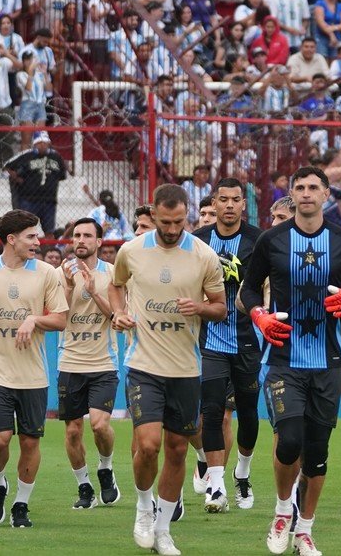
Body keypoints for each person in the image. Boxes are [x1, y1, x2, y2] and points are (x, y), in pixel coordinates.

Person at [239, 167, 341, 556]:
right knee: (289, 442)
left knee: (317, 452)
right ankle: (283, 511)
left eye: (314, 187)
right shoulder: (272, 240)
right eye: (299, 187)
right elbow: (249, 289)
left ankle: (305, 530)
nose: (306, 193)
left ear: (326, 193)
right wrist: (259, 316)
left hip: (330, 360)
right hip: (283, 357)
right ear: (292, 194)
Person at [111, 184, 227, 556]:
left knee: (178, 448)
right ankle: (144, 508)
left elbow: (221, 307)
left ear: (187, 216)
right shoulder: (131, 251)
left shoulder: (204, 255)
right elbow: (116, 287)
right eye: (165, 222)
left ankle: (163, 530)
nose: (173, 228)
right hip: (144, 364)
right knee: (148, 445)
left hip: (186, 367)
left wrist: (199, 307)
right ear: (154, 215)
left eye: (179, 222)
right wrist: (118, 311)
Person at [0, 209, 69, 528]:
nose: (38, 241)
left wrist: (34, 319)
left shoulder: (47, 273)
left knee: (30, 442)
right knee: (0, 439)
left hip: (34, 375)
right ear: (11, 239)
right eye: (31, 236)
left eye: (37, 235)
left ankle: (21, 504)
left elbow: (60, 318)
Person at [191, 177, 263, 512]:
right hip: (212, 340)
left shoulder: (257, 240)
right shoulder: (198, 242)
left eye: (236, 199)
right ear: (214, 204)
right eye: (224, 199)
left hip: (249, 340)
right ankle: (216, 486)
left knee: (248, 414)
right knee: (212, 411)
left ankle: (243, 473)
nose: (230, 205)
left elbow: (267, 284)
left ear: (242, 205)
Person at [57, 218, 121, 509]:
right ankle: (84, 486)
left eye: (87, 236)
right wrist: (69, 288)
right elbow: (56, 317)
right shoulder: (60, 274)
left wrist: (95, 291)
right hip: (70, 362)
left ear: (99, 242)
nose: (81, 240)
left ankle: (105, 468)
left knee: (98, 425)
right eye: (77, 235)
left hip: (103, 363)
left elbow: (117, 318)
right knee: (72, 431)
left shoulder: (112, 274)